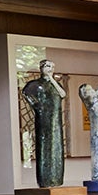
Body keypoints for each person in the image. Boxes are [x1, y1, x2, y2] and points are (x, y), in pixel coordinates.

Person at [20, 59, 65, 188]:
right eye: (47, 66)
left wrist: (52, 80)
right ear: (41, 68)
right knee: (45, 147)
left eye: (52, 66)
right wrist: (37, 106)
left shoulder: (56, 85)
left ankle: (57, 178)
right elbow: (26, 92)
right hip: (44, 120)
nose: (49, 68)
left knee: (57, 148)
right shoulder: (35, 84)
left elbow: (63, 94)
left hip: (56, 121)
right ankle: (45, 180)